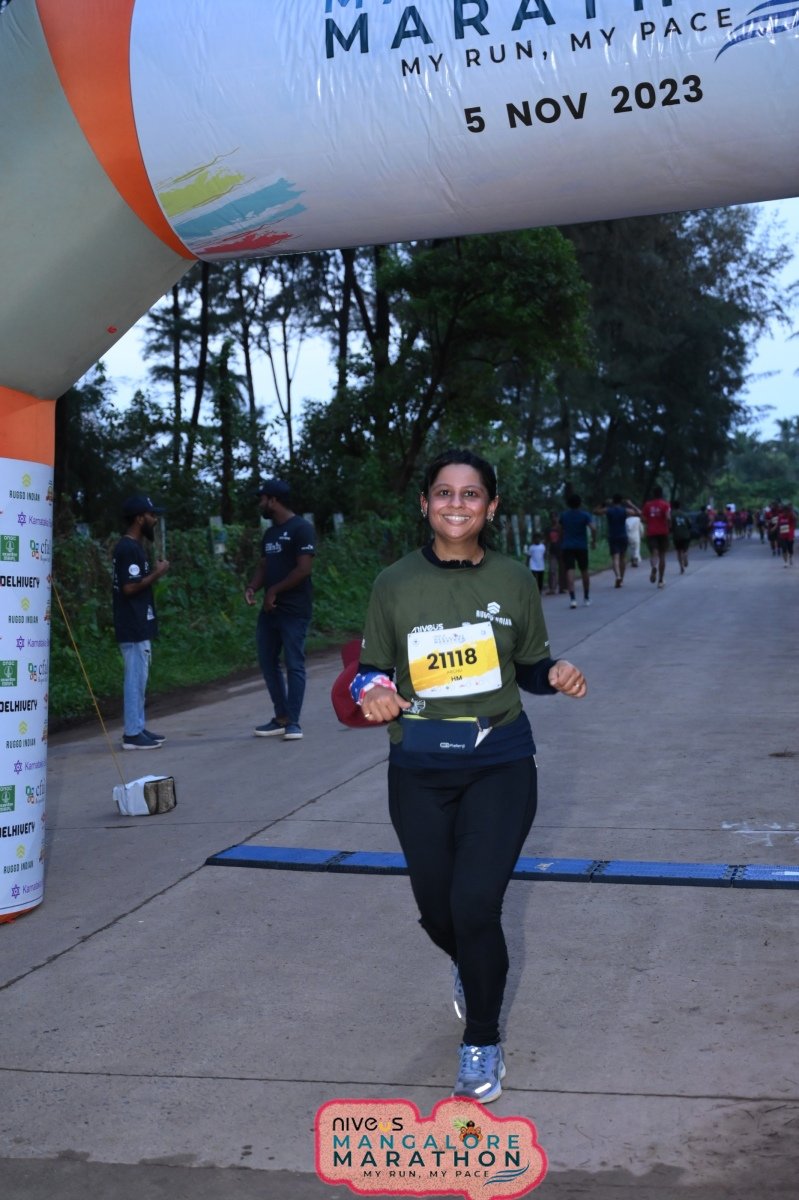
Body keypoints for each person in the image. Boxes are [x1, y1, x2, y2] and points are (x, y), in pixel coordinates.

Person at [348, 448, 587, 1103]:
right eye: (444, 493)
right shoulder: (393, 583)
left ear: (491, 506)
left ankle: (481, 1040)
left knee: (476, 906)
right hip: (419, 767)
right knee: (438, 913)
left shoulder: (514, 579)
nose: (457, 504)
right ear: (425, 503)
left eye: (471, 494)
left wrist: (554, 673)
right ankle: (469, 963)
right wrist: (373, 691)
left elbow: (530, 666)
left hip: (499, 761)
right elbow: (369, 670)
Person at [245, 480, 316, 741]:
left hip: (294, 609)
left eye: (262, 499)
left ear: (273, 500)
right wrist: (253, 587)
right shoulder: (270, 534)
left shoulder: (301, 529)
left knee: (294, 663)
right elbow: (264, 566)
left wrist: (273, 591)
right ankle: (281, 716)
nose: (260, 504)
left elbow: (304, 569)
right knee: (267, 661)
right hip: (270, 610)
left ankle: (293, 723)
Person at [112, 494, 170, 750]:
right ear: (139, 518)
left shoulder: (134, 547)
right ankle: (132, 734)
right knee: (135, 679)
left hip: (137, 622)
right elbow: (129, 587)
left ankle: (138, 726)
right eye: (151, 515)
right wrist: (157, 573)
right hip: (132, 624)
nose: (154, 519)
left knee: (139, 678)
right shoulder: (128, 548)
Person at [594, 494, 641, 587]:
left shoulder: (608, 510)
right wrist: (631, 504)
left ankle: (618, 576)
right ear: (621, 501)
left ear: (613, 501)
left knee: (615, 558)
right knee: (622, 558)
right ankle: (621, 579)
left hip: (613, 536)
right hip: (623, 536)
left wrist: (604, 503)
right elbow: (639, 513)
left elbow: (595, 511)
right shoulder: (625, 510)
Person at [559, 494, 596, 607]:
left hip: (567, 546)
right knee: (584, 570)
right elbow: (593, 528)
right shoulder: (585, 515)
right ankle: (586, 597)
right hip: (581, 546)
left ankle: (573, 599)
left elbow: (560, 530)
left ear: (568, 504)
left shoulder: (564, 516)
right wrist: (593, 541)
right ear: (580, 503)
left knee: (570, 570)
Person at [641, 485, 671, 588]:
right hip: (663, 532)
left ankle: (654, 566)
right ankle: (661, 580)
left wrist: (650, 522)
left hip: (651, 532)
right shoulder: (665, 504)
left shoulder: (647, 505)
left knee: (654, 553)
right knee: (662, 555)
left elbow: (643, 519)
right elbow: (668, 518)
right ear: (661, 494)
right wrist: (669, 526)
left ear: (653, 494)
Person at [670, 499, 692, 575]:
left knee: (679, 551)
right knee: (685, 550)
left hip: (676, 536)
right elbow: (690, 525)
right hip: (685, 535)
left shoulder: (672, 515)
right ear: (680, 506)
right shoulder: (685, 515)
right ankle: (685, 556)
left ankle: (681, 567)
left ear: (673, 506)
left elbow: (670, 526)